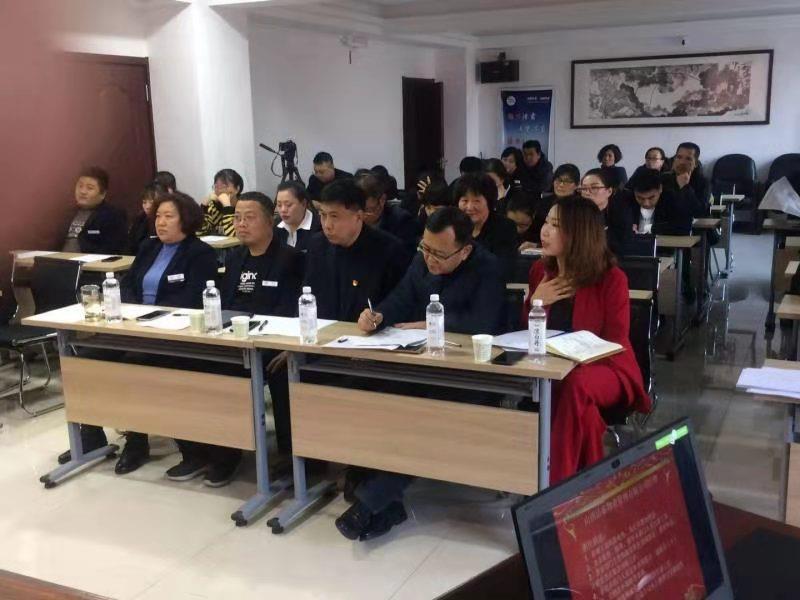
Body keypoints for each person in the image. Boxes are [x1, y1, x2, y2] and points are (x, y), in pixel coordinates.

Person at [335, 207, 506, 541]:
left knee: (426, 415)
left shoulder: (489, 268)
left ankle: (372, 501)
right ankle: (383, 499)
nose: (429, 258)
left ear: (464, 251)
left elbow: (482, 321)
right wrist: (377, 316)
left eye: (439, 254)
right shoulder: (422, 258)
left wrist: (429, 325)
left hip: (471, 372)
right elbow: (401, 298)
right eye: (425, 249)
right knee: (375, 393)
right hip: (424, 364)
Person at [57, 192, 218, 474]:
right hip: (134, 326)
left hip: (172, 334)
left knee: (135, 363)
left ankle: (136, 440)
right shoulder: (148, 246)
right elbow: (128, 283)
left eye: (169, 216)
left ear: (186, 220)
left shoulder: (199, 252)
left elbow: (193, 298)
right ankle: (91, 435)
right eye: (158, 216)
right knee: (86, 357)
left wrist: (151, 314)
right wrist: (134, 309)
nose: (161, 222)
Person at [172, 192, 303, 486]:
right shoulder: (234, 257)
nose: (241, 224)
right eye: (238, 218)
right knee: (187, 365)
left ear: (270, 221)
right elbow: (224, 304)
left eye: (250, 218)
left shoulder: (290, 259)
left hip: (268, 342)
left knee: (240, 374)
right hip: (231, 339)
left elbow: (289, 312)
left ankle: (229, 455)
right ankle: (198, 449)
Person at [524, 196, 650, 483]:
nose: (544, 231)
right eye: (546, 222)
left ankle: (555, 483)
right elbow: (527, 332)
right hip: (551, 366)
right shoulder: (540, 272)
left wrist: (576, 355)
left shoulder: (611, 279)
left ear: (578, 233)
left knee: (574, 385)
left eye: (555, 225)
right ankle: (586, 482)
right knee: (585, 413)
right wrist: (536, 303)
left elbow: (616, 340)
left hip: (606, 367)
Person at [303, 178, 408, 322]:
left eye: (334, 216)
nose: (327, 225)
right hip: (323, 330)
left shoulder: (389, 250)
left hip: (370, 332)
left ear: (358, 216)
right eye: (323, 215)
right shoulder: (317, 245)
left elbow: (398, 303)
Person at [455, 173, 518, 283]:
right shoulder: (452, 226)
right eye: (465, 201)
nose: (469, 207)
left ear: (489, 202)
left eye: (476, 201)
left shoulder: (505, 227)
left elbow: (503, 268)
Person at [62, 167, 127, 254]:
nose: (83, 191)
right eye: (80, 186)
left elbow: (112, 248)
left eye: (89, 188)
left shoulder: (113, 216)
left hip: (90, 261)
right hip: (57, 260)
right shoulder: (66, 214)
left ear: (103, 194)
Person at [356, 172, 421, 259]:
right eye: (356, 209)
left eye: (367, 210)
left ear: (382, 200)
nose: (361, 216)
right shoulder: (352, 218)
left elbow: (408, 257)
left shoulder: (402, 220)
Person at [579, 168, 633, 257]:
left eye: (594, 188)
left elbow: (622, 249)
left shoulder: (621, 216)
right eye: (584, 188)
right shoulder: (574, 215)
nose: (587, 193)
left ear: (609, 191)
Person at [624, 169, 694, 235]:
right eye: (640, 198)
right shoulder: (627, 200)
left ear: (660, 189)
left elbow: (684, 227)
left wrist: (650, 228)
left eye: (651, 198)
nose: (646, 203)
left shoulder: (673, 199)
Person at [661, 142, 709, 218]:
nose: (682, 162)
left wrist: (685, 187)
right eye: (679, 157)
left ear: (696, 164)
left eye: (688, 159)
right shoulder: (663, 179)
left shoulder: (703, 182)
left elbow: (700, 212)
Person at [274, 181, 321, 253]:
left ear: (303, 204)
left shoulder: (320, 227)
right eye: (279, 205)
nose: (283, 210)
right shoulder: (275, 226)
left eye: (288, 205)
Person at [198, 168, 244, 237]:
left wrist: (227, 207)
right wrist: (203, 208)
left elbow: (235, 234)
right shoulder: (212, 206)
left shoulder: (244, 206)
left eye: (225, 187)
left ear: (237, 189)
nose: (220, 191)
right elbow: (199, 232)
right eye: (216, 187)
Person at [127, 183, 162, 255]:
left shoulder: (163, 221)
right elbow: (130, 244)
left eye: (151, 202)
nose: (147, 206)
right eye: (144, 202)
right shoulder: (139, 219)